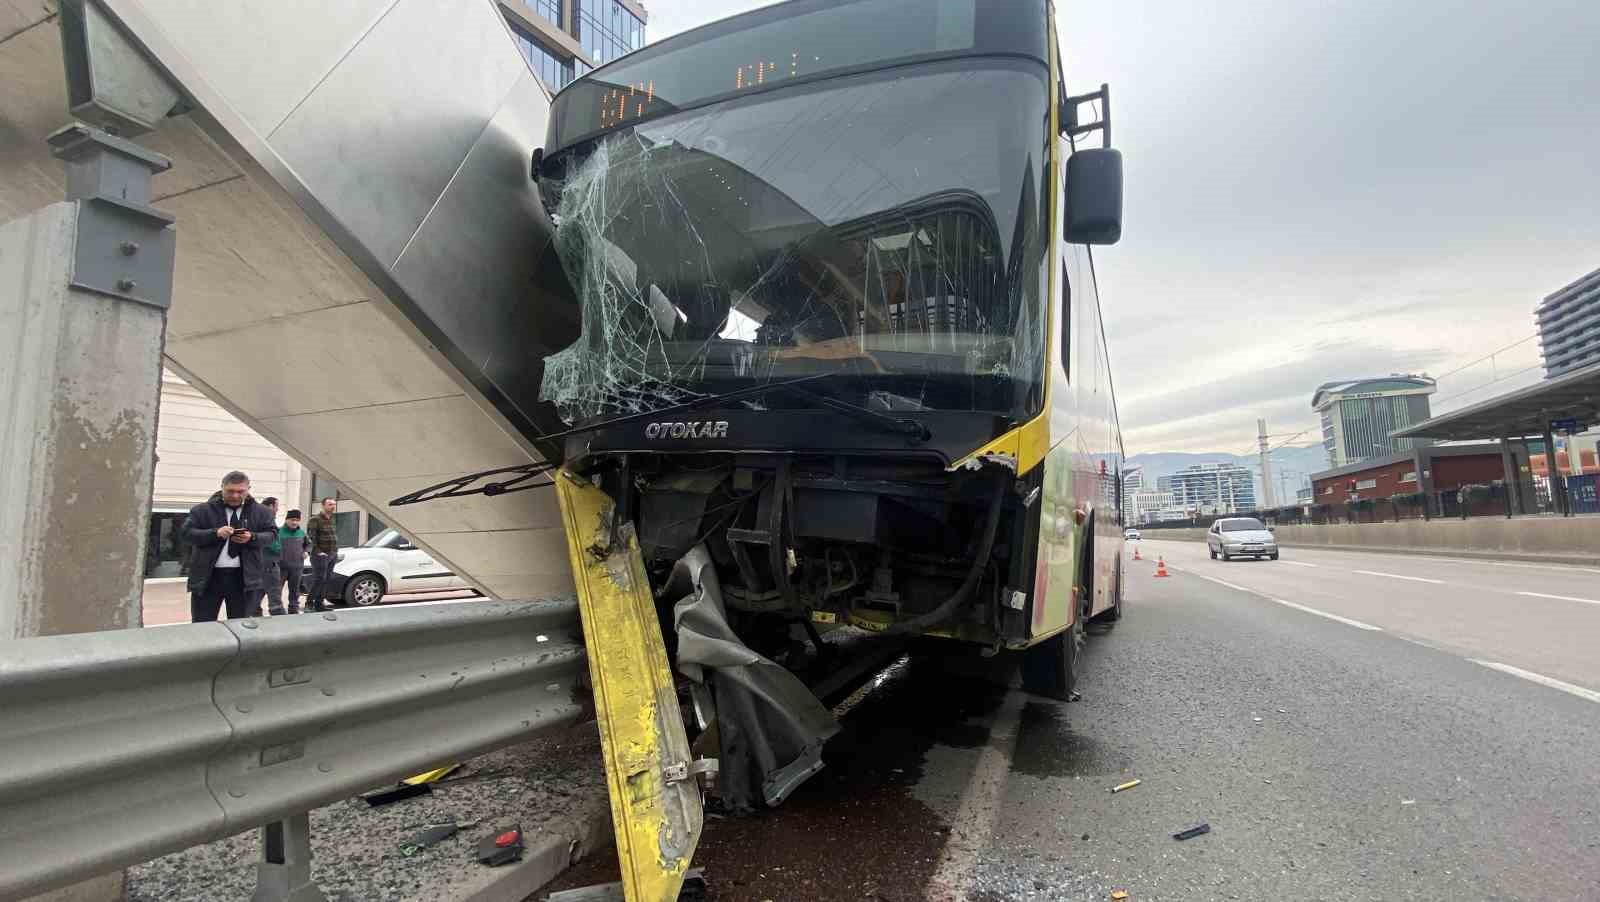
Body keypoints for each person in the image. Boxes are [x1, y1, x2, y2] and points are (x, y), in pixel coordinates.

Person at [182, 471, 277, 622]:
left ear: (248, 489)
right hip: (208, 579)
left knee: (241, 626)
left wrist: (252, 537)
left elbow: (272, 536)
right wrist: (215, 533)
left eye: (240, 491)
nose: (235, 496)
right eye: (230, 491)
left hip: (244, 580)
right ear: (222, 488)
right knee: (202, 625)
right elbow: (186, 535)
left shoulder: (262, 512)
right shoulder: (201, 510)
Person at [304, 496, 341, 612]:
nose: (332, 507)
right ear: (323, 505)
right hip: (320, 555)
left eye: (334, 504)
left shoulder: (332, 519)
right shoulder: (315, 519)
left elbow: (332, 536)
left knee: (327, 579)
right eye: (330, 504)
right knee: (319, 579)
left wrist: (335, 551)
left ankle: (319, 604)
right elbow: (311, 538)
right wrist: (318, 552)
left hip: (332, 553)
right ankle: (309, 603)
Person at [274, 509, 308, 615]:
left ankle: (293, 609)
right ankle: (277, 610)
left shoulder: (302, 533)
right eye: (292, 520)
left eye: (297, 520)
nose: (295, 522)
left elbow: (309, 544)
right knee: (277, 590)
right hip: (281, 567)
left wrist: (307, 551)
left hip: (297, 567)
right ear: (286, 520)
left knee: (295, 590)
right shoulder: (278, 532)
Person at [257, 497, 280, 616]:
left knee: (257, 592)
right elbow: (274, 544)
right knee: (274, 594)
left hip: (258, 563)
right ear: (270, 506)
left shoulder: (256, 516)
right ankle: (278, 618)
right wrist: (280, 550)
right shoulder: (267, 519)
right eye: (277, 506)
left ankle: (254, 615)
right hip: (268, 563)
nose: (278, 509)